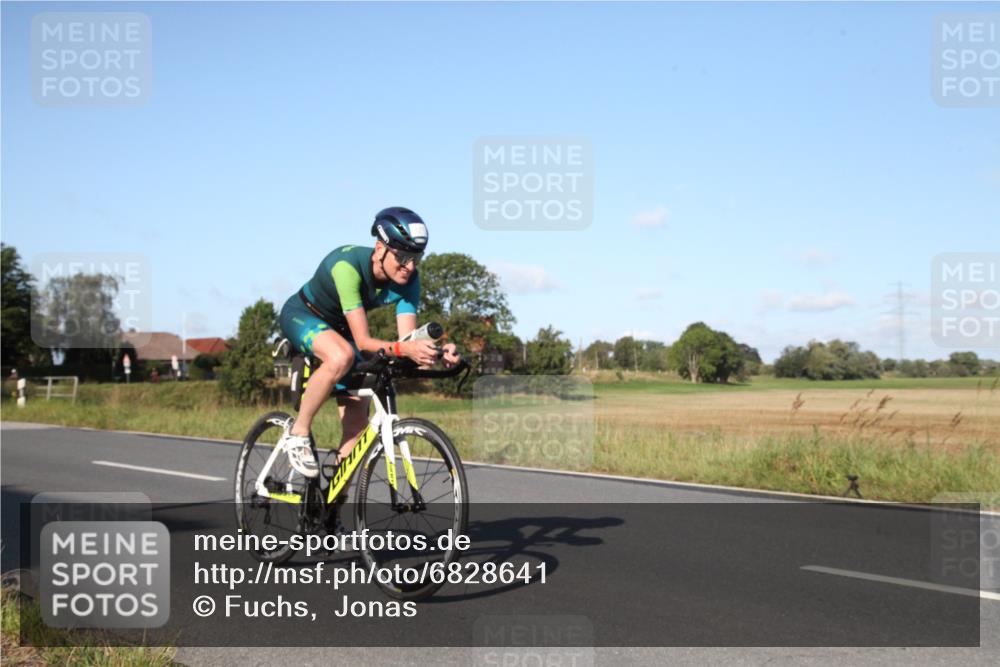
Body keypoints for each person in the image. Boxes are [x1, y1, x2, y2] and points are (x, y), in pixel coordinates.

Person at [276, 207, 460, 478]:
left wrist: (436, 352)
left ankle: (330, 514)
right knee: (340, 356)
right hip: (304, 315)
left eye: (416, 258)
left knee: (355, 430)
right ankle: (299, 432)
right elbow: (363, 341)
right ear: (380, 249)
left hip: (343, 332)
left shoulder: (410, 281)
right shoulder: (347, 267)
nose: (409, 267)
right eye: (403, 257)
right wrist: (405, 348)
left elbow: (405, 342)